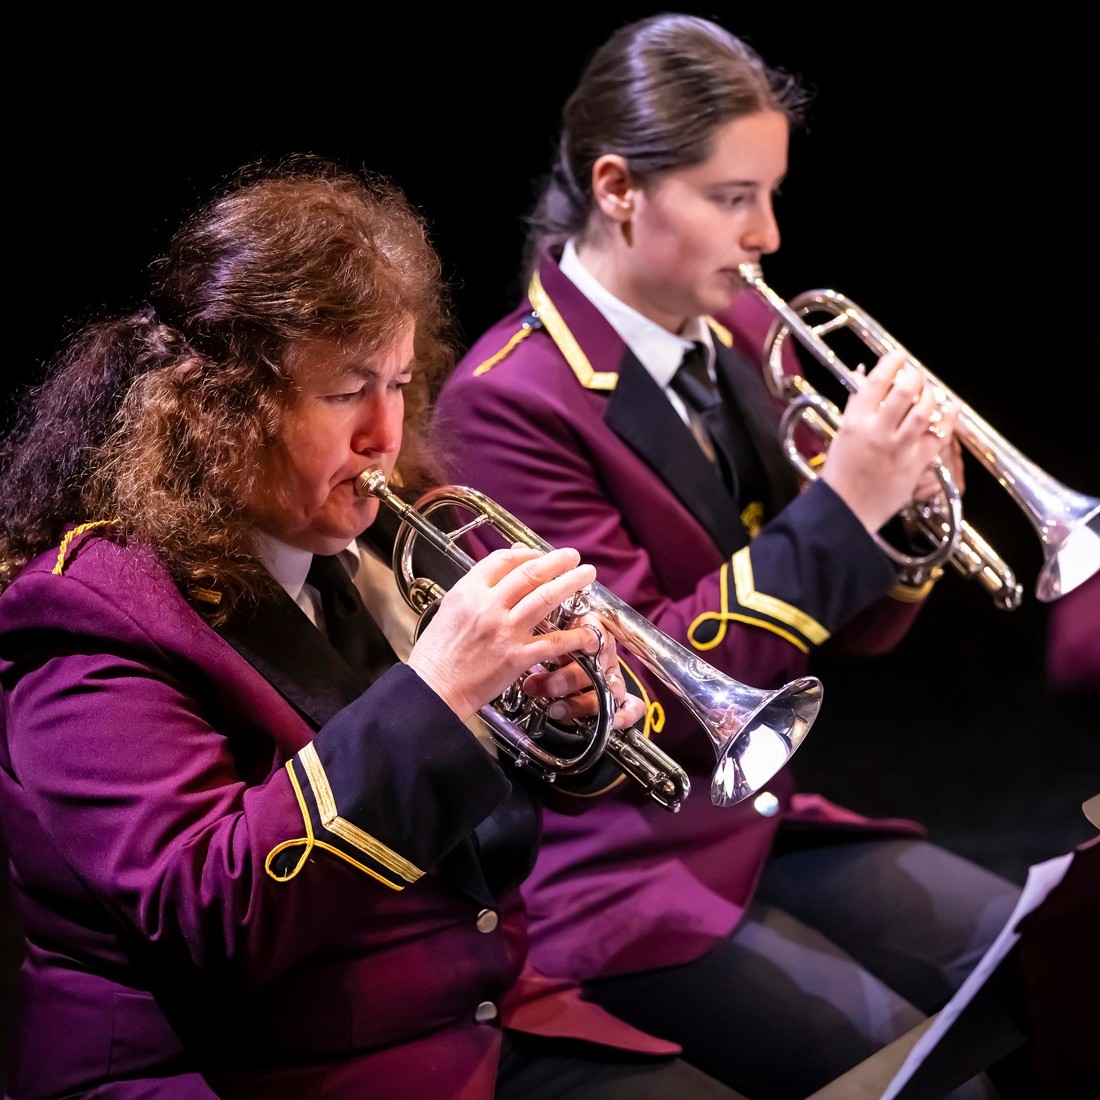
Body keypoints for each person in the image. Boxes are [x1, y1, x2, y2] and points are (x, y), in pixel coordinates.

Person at [0, 157, 750, 1099]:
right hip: (250, 1072)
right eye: (347, 392)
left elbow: (482, 825)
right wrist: (441, 693)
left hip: (471, 1025)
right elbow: (211, 915)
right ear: (218, 409)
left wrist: (561, 716)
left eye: (398, 384)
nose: (384, 435)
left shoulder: (384, 543)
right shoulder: (89, 611)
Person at [433, 14, 1023, 1099]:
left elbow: (860, 627)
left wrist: (911, 511)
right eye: (730, 196)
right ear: (618, 188)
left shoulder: (742, 340)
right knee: (937, 1078)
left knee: (1043, 973)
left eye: (768, 193)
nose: (767, 236)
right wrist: (846, 505)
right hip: (619, 875)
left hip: (762, 823)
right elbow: (651, 683)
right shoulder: (503, 402)